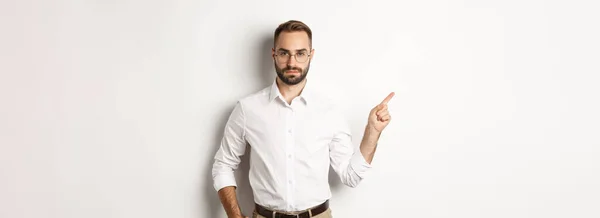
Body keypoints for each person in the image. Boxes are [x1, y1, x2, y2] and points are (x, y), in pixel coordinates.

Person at [212, 20, 394, 218]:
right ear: (274, 54)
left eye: (300, 54)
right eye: (284, 53)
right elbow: (223, 165)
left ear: (311, 56)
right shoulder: (248, 109)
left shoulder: (329, 112)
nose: (292, 63)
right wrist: (235, 215)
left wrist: (372, 132)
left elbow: (351, 177)